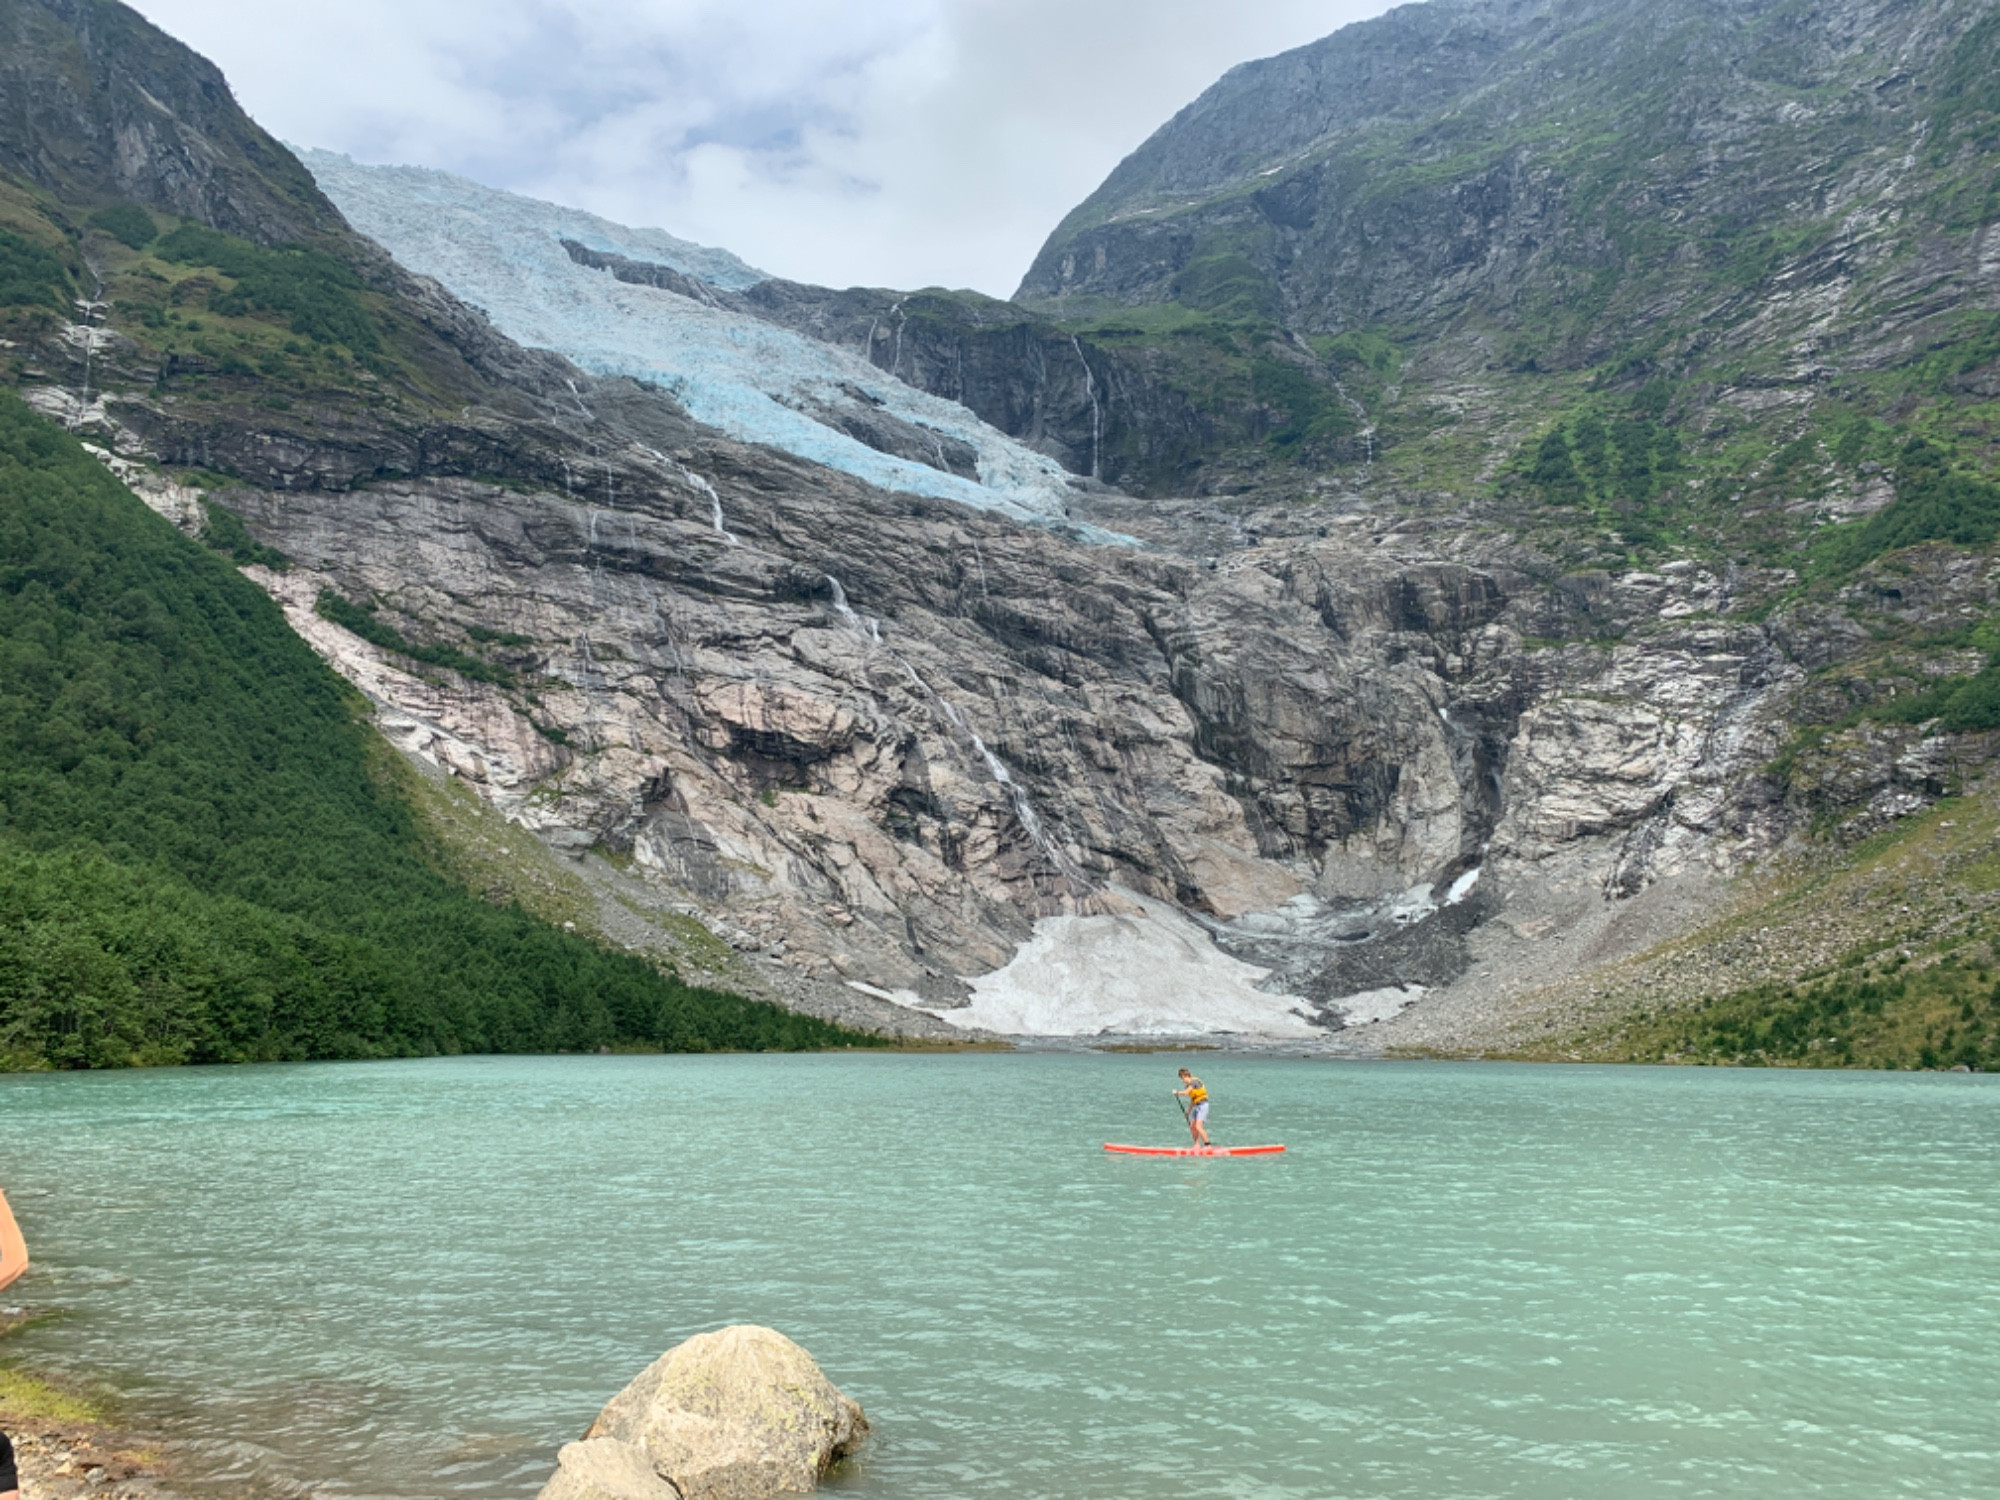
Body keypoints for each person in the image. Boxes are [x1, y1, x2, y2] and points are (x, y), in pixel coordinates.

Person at [1175, 1068, 1212, 1148]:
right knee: (1192, 1126)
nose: (1182, 1080)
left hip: (1203, 1105)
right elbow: (1193, 1100)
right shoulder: (1189, 1086)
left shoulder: (1194, 1082)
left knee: (1198, 1126)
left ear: (1185, 1076)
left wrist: (1177, 1092)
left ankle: (1208, 1145)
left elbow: (1186, 1092)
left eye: (1182, 1078)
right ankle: (1197, 1144)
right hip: (1197, 1106)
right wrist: (1188, 1111)